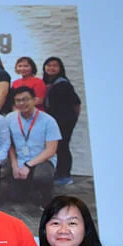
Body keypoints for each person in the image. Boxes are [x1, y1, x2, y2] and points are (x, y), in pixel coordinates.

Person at [6, 86, 62, 209]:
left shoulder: (48, 121)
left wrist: (28, 166)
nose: (22, 103)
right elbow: (9, 145)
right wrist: (14, 165)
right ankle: (31, 188)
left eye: (25, 99)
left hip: (42, 160)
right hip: (20, 160)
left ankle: (46, 196)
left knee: (42, 177)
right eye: (18, 100)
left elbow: (51, 150)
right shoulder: (10, 119)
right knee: (15, 196)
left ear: (34, 100)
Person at [42, 56, 83, 186]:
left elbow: (76, 103)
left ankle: (65, 175)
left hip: (64, 120)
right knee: (54, 147)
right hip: (52, 121)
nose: (51, 68)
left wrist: (73, 119)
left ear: (60, 68)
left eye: (55, 66)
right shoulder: (45, 83)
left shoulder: (63, 84)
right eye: (49, 65)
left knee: (62, 146)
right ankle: (57, 173)